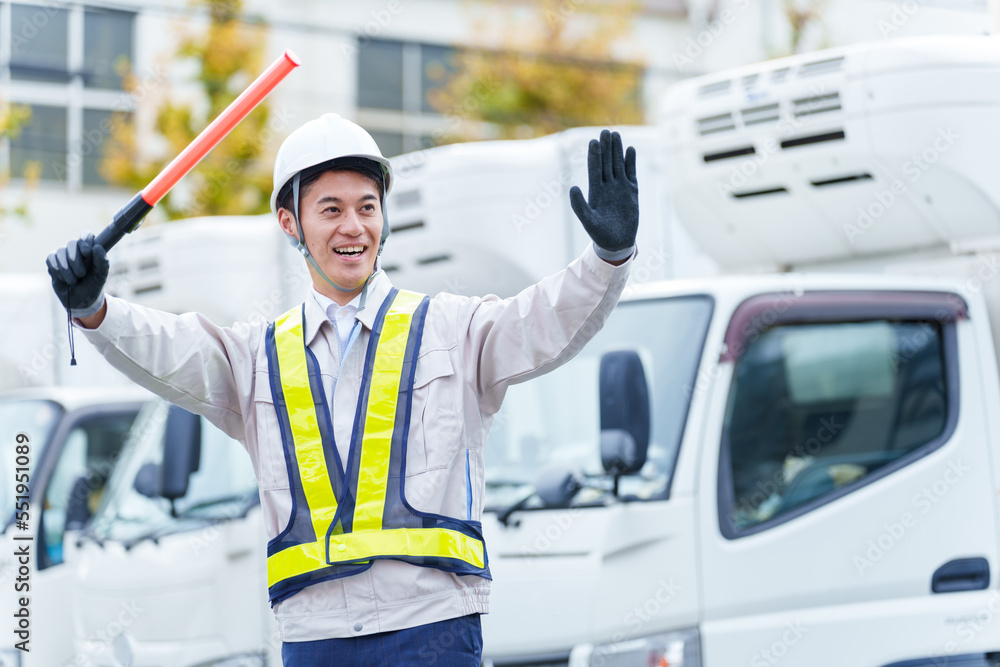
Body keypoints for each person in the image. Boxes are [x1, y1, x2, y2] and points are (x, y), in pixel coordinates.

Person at [46, 113, 638, 666]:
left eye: (367, 207)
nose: (353, 227)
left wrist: (606, 259)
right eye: (330, 209)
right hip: (314, 638)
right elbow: (169, 348)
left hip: (433, 631)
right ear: (290, 223)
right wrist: (96, 308)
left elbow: (542, 322)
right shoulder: (256, 357)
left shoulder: (452, 328)